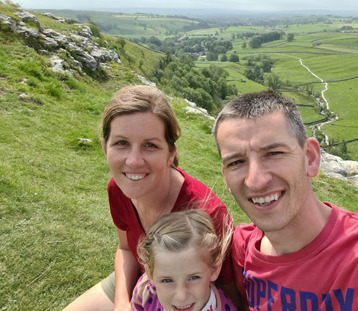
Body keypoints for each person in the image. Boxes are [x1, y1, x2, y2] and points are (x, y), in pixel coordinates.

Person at [212, 89, 358, 310]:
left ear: (310, 157)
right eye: (236, 162)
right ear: (226, 176)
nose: (255, 181)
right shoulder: (241, 249)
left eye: (274, 153)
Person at [64, 85, 235, 311]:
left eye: (150, 145)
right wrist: (121, 302)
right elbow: (126, 249)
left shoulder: (207, 212)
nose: (134, 161)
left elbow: (230, 293)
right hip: (145, 283)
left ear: (170, 153)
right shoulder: (118, 189)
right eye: (121, 143)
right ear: (105, 146)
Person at [130, 209, 237, 311]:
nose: (181, 296)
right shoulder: (145, 289)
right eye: (167, 280)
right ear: (150, 274)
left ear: (215, 269)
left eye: (193, 277)